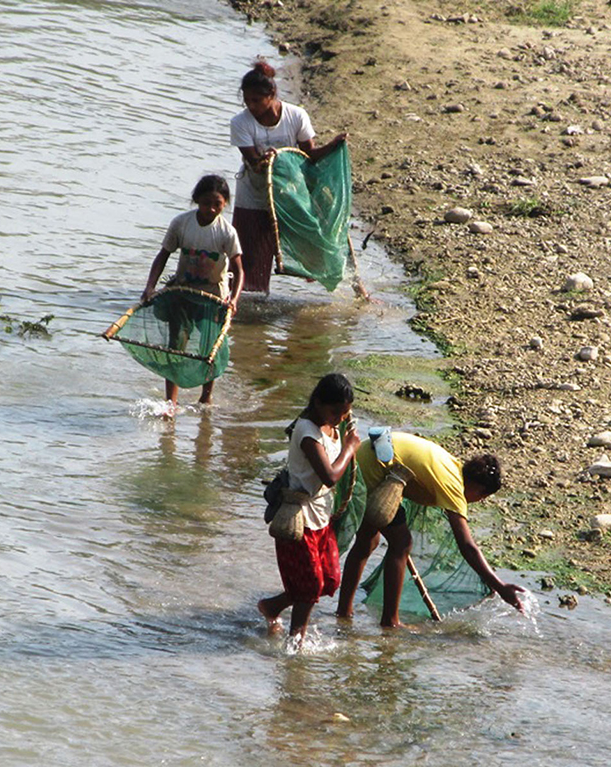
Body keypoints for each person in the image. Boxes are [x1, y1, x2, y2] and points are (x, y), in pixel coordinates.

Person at [336, 431, 525, 628]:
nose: (480, 500)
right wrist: (500, 586)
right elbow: (467, 546)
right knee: (401, 544)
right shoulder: (453, 487)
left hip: (362, 460)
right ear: (478, 488)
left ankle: (344, 612)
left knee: (368, 541)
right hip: (371, 471)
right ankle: (390, 622)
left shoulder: (452, 466)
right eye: (482, 496)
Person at [258, 373, 361, 644]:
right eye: (334, 411)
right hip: (299, 519)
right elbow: (329, 476)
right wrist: (349, 449)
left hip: (321, 516)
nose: (339, 418)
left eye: (344, 412)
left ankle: (272, 607)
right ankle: (296, 643)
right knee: (309, 587)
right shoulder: (306, 431)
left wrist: (343, 440)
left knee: (328, 580)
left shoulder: (332, 427)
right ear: (317, 402)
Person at [230, 60, 347, 295]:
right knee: (250, 254)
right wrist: (268, 160)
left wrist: (333, 146)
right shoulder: (240, 123)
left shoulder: (296, 116)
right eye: (247, 101)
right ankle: (247, 306)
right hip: (253, 194)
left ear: (272, 94)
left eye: (256, 100)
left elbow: (308, 155)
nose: (251, 106)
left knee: (308, 241)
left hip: (289, 194)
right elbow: (255, 164)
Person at [141, 174, 244, 413]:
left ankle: (206, 398)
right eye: (206, 202)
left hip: (213, 298)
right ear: (196, 199)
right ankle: (171, 402)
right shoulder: (182, 224)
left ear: (225, 204)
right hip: (183, 294)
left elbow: (239, 270)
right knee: (175, 346)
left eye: (217, 204)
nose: (211, 209)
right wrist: (150, 287)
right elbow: (163, 256)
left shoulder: (227, 233)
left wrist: (234, 300)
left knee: (210, 350)